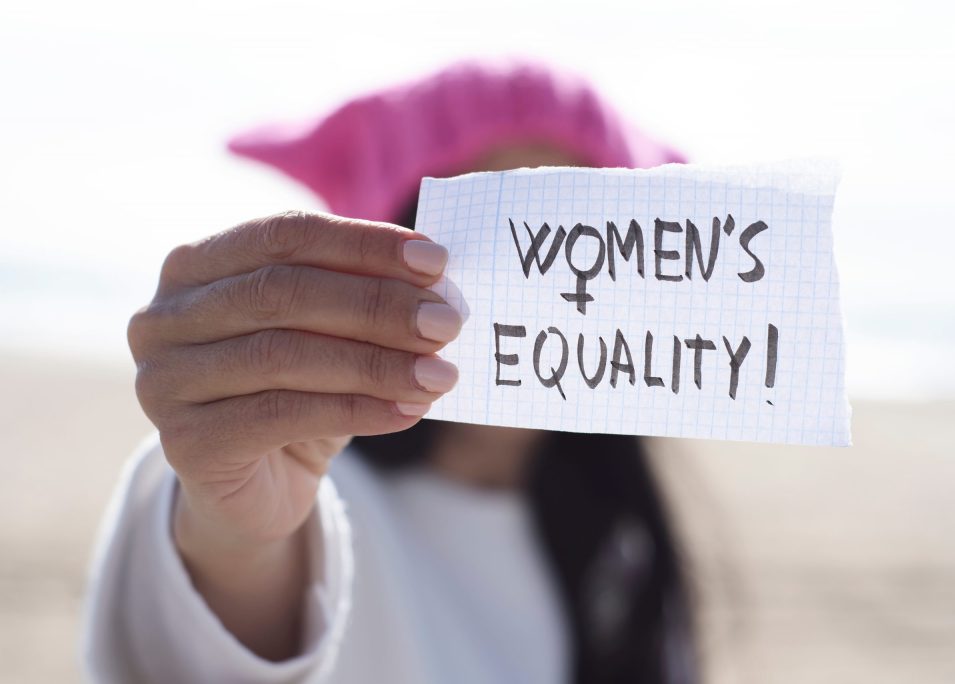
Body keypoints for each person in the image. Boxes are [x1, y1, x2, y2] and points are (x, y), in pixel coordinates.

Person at [81, 61, 700, 684]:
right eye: (493, 223)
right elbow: (213, 613)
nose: (542, 278)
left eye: (586, 232)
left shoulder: (619, 536)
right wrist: (231, 537)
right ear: (384, 251)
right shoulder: (308, 486)